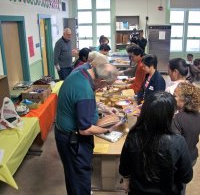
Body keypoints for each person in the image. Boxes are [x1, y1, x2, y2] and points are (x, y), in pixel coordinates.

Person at [55, 63, 119, 195]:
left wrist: (104, 108)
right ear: (100, 80)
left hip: (64, 134)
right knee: (80, 179)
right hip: (72, 141)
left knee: (72, 176)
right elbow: (85, 129)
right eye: (106, 85)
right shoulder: (84, 89)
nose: (104, 88)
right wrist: (108, 130)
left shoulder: (80, 74)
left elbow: (80, 100)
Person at [119, 91, 193, 195]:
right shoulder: (178, 142)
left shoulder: (133, 136)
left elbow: (124, 170)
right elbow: (186, 177)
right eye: (174, 113)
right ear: (169, 116)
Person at [172, 82, 200, 165]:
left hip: (180, 162)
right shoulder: (198, 114)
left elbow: (174, 147)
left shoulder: (177, 119)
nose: (172, 98)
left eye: (175, 96)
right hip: (192, 157)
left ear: (185, 100)